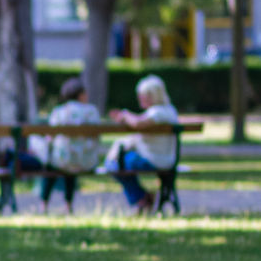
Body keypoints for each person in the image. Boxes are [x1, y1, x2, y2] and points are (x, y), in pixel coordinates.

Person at [16, 77, 104, 210]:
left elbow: (50, 137)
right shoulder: (92, 111)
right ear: (80, 95)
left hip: (63, 160)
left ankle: (43, 204)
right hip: (87, 161)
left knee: (53, 164)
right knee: (70, 163)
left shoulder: (59, 112)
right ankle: (68, 205)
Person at [104, 74, 180, 213]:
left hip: (153, 160)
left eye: (143, 95)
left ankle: (141, 199)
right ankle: (143, 199)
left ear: (152, 96)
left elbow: (138, 123)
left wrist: (125, 115)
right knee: (118, 161)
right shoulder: (170, 111)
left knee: (112, 164)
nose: (140, 98)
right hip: (167, 159)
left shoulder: (157, 113)